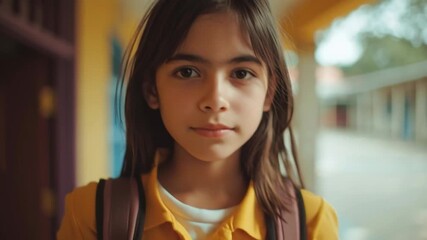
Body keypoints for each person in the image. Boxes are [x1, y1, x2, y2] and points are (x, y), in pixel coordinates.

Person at [57, 0, 338, 239]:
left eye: (241, 73)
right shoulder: (91, 215)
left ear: (269, 92)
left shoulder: (310, 222)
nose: (215, 100)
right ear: (152, 89)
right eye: (188, 72)